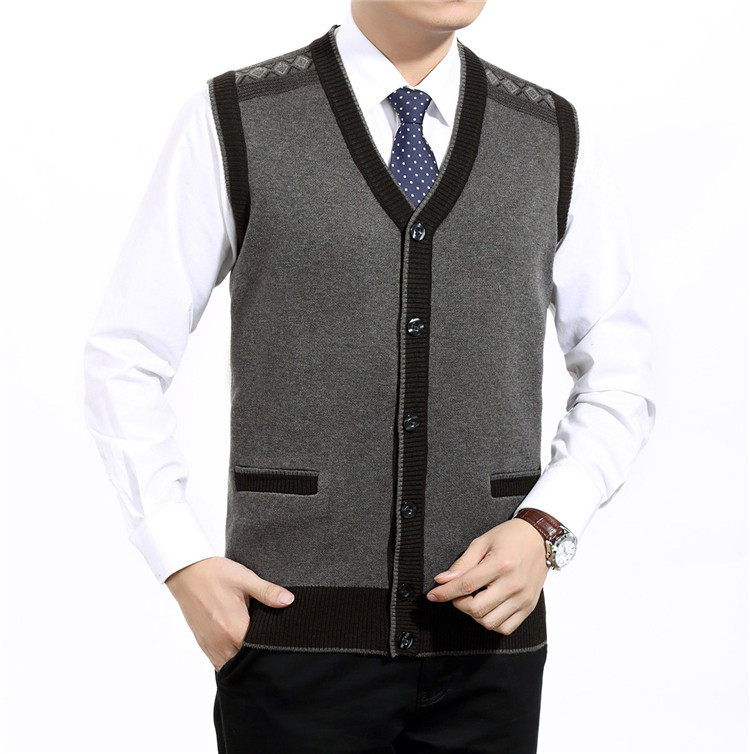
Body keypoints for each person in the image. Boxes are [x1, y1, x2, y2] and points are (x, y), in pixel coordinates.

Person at [83, 1, 655, 751]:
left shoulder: (550, 134)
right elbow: (125, 354)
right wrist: (180, 557)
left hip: (489, 652)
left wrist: (545, 526)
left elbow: (622, 373)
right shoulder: (237, 117)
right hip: (291, 641)